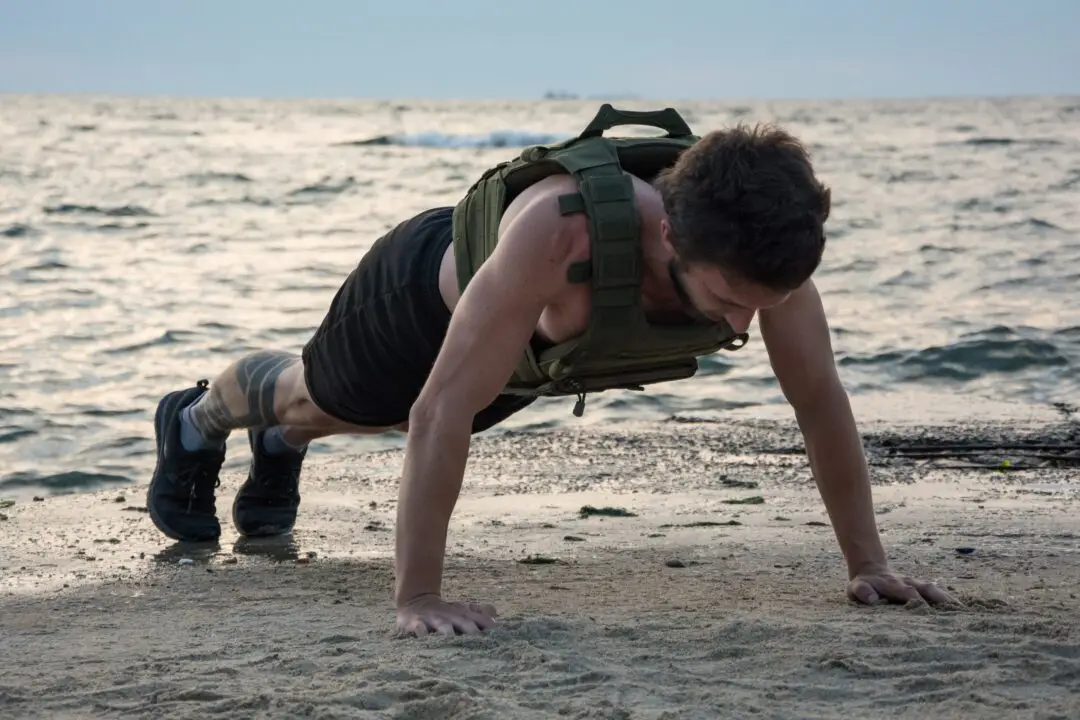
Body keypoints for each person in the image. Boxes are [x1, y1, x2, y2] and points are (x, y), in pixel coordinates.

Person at [145, 105, 955, 638]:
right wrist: (418, 597)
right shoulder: (558, 230)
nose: (742, 325)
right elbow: (441, 412)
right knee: (322, 393)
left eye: (760, 305)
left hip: (528, 356)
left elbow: (819, 403)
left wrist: (867, 566)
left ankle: (284, 448)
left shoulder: (762, 258)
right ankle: (193, 420)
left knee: (382, 421)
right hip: (413, 299)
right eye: (729, 301)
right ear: (671, 238)